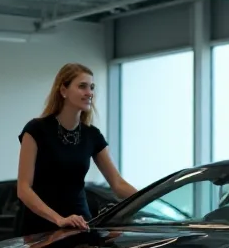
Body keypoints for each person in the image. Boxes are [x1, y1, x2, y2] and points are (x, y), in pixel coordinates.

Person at [15, 63, 137, 236]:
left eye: (92, 87)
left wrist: (150, 199)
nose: (89, 93)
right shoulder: (36, 129)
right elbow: (23, 189)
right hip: (41, 227)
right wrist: (59, 219)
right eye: (82, 86)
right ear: (63, 90)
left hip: (80, 224)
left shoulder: (92, 135)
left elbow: (118, 184)